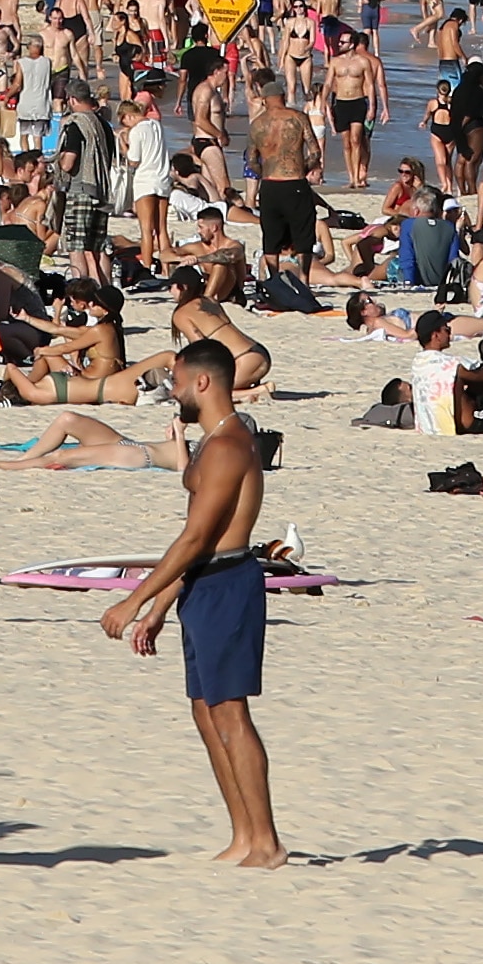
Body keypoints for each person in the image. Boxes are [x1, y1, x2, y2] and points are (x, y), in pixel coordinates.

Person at [106, 335, 283, 867]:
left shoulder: (229, 446)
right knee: (207, 715)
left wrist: (133, 600)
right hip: (203, 585)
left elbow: (196, 537)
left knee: (231, 714)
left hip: (228, 583)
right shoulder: (211, 441)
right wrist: (161, 609)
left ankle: (267, 841)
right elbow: (195, 539)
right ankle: (244, 836)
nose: (173, 389)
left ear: (203, 382)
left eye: (178, 380)